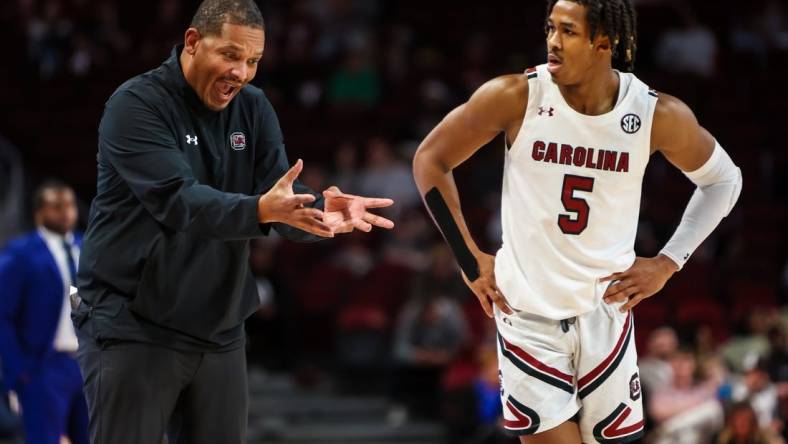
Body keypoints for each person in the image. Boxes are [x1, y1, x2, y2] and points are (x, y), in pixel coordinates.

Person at [412, 0, 742, 442]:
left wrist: (668, 262)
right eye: (550, 29)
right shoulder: (516, 96)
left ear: (604, 41)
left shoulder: (655, 114)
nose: (552, 41)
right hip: (527, 310)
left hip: (606, 312)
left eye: (567, 31)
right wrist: (469, 260)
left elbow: (724, 181)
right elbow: (431, 158)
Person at [73, 0, 394, 442]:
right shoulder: (136, 105)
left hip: (219, 328)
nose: (241, 72)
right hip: (132, 324)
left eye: (253, 61)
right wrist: (264, 210)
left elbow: (279, 204)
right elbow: (179, 201)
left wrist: (317, 213)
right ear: (192, 42)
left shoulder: (255, 108)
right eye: (230, 55)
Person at [0, 180, 89, 444]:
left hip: (87, 362)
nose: (66, 212)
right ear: (40, 212)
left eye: (70, 205)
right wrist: (19, 369)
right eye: (56, 206)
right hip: (44, 365)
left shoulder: (88, 247)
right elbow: (3, 315)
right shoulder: (21, 253)